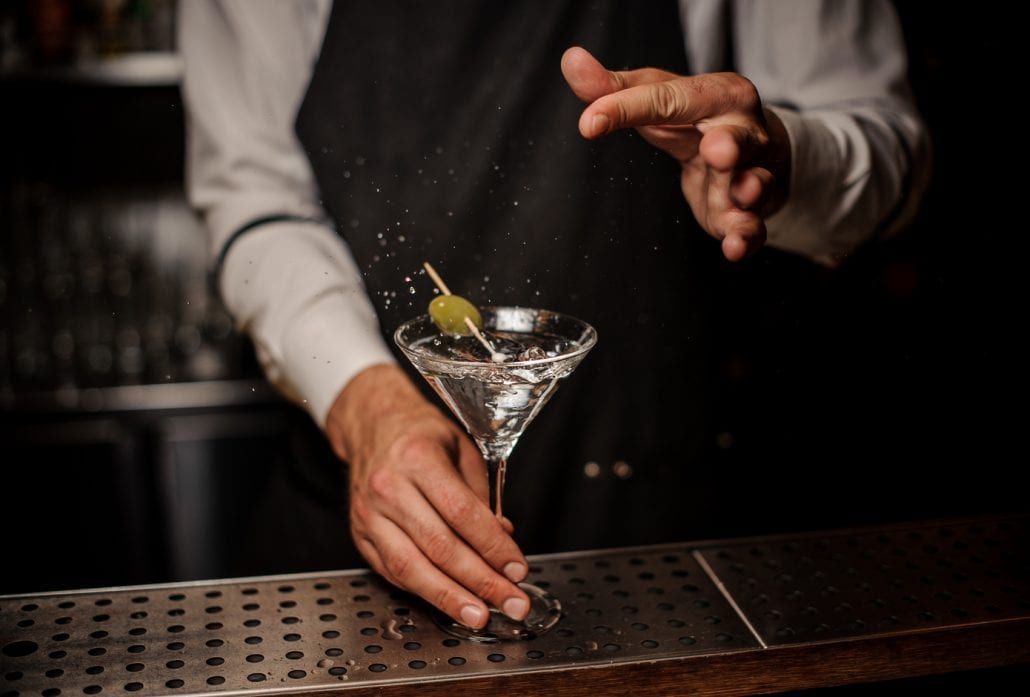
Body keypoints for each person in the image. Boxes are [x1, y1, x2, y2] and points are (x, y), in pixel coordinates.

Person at [177, 0, 930, 631]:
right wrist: (362, 400)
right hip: (359, 513)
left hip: (667, 512)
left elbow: (890, 147)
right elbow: (252, 195)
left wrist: (788, 158)